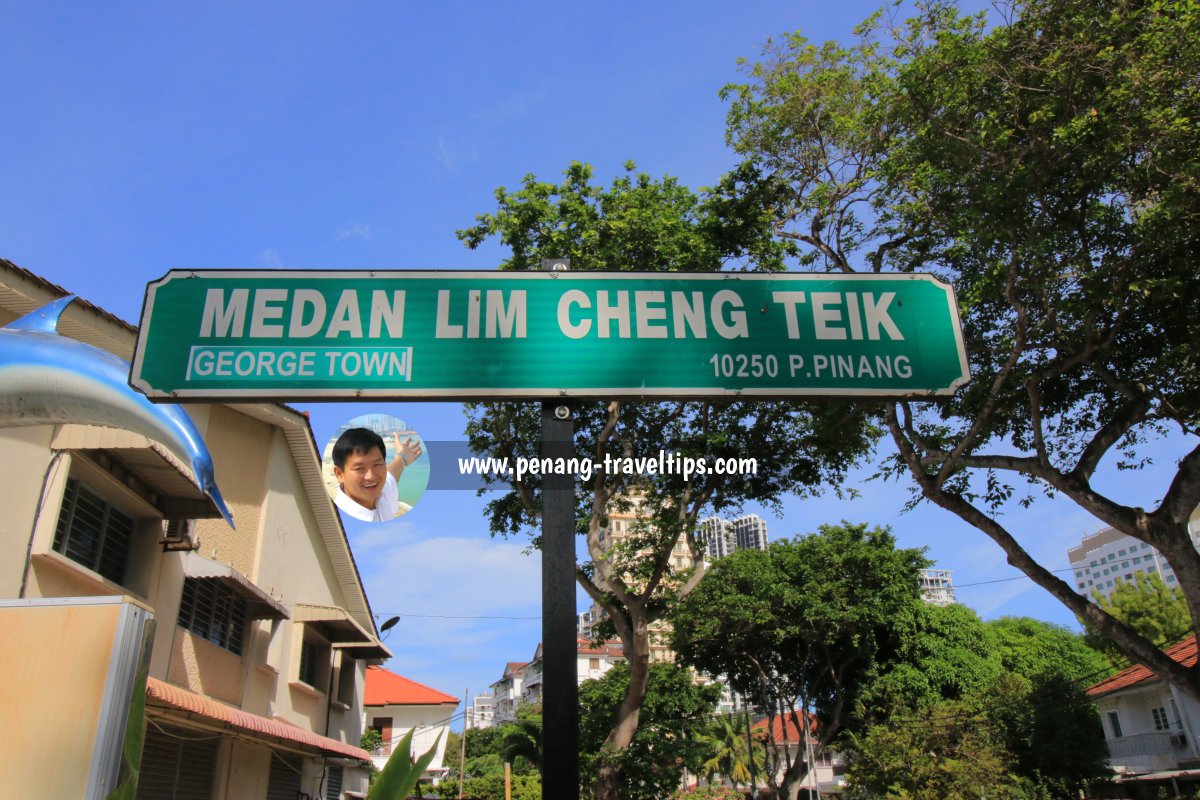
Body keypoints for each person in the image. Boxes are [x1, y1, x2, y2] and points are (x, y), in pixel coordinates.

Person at [331, 427, 422, 523]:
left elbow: (391, 474)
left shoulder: (382, 493)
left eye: (377, 464)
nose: (371, 476)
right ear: (339, 474)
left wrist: (402, 457)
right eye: (359, 468)